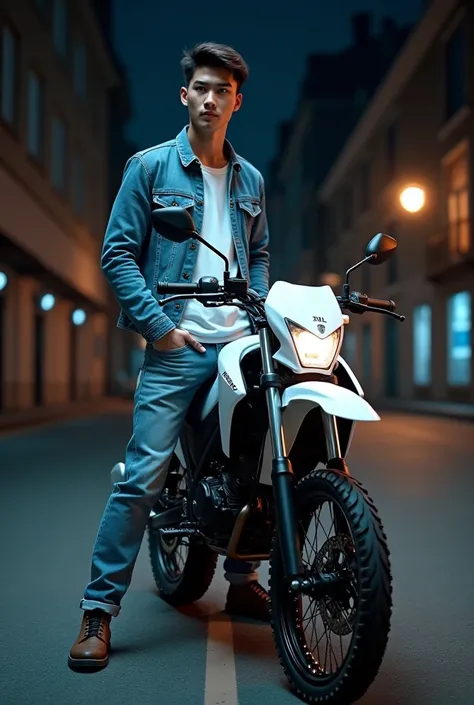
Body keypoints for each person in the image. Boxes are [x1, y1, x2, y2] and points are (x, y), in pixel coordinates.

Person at [69, 42, 270, 671]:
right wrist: (158, 329)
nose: (211, 99)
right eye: (201, 88)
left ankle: (241, 583)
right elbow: (117, 253)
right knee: (143, 478)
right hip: (177, 347)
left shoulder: (251, 179)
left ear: (238, 101)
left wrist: (258, 309)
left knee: (252, 465)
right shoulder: (151, 168)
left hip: (240, 345)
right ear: (185, 95)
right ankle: (98, 611)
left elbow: (258, 253)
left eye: (223, 91)